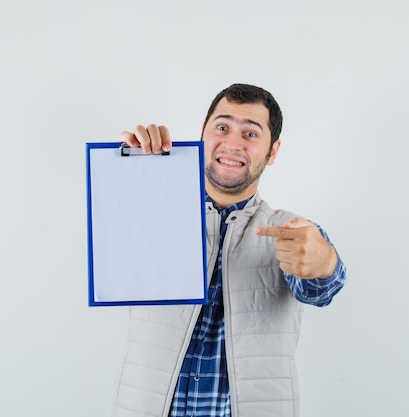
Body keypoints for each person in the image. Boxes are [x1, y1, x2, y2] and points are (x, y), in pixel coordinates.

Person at [113, 83, 346, 417]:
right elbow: (115, 226)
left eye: (251, 134)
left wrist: (325, 261)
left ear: (273, 152)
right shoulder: (153, 214)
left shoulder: (290, 232)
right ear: (202, 136)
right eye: (222, 127)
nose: (233, 143)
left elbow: (322, 285)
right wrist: (126, 167)